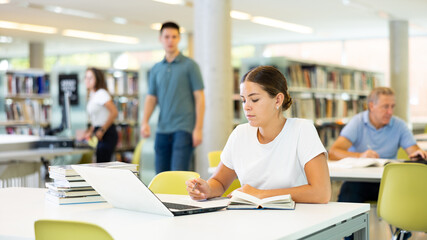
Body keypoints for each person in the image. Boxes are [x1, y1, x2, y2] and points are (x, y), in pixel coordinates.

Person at [186, 66, 331, 203]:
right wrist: (207, 189)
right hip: (251, 219)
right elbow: (219, 182)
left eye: (254, 99)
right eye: (243, 100)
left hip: (296, 220)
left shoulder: (302, 130)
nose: (246, 107)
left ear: (278, 100)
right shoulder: (240, 134)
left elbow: (321, 192)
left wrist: (260, 194)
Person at [328, 87, 426, 240]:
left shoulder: (399, 125)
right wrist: (361, 155)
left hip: (389, 184)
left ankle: (402, 233)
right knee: (349, 192)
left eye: (392, 107)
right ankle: (349, 236)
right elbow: (334, 152)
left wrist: (417, 154)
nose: (390, 112)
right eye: (385, 107)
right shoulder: (358, 123)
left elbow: (414, 150)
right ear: (371, 106)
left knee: (409, 195)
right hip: (359, 183)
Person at [140, 21, 205, 173]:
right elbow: (151, 98)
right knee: (160, 175)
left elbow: (200, 98)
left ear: (179, 39)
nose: (170, 40)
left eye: (174, 37)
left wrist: (198, 129)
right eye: (167, 37)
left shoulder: (190, 66)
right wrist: (144, 122)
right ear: (160, 39)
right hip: (162, 130)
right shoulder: (156, 69)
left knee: (178, 174)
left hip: (184, 129)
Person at [83, 67, 118, 163]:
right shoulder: (92, 95)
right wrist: (90, 131)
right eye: (86, 77)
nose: (87, 80)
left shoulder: (101, 93)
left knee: (102, 165)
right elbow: (96, 118)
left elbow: (114, 112)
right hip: (99, 131)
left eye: (90, 78)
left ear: (97, 79)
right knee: (99, 162)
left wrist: (102, 130)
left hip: (107, 132)